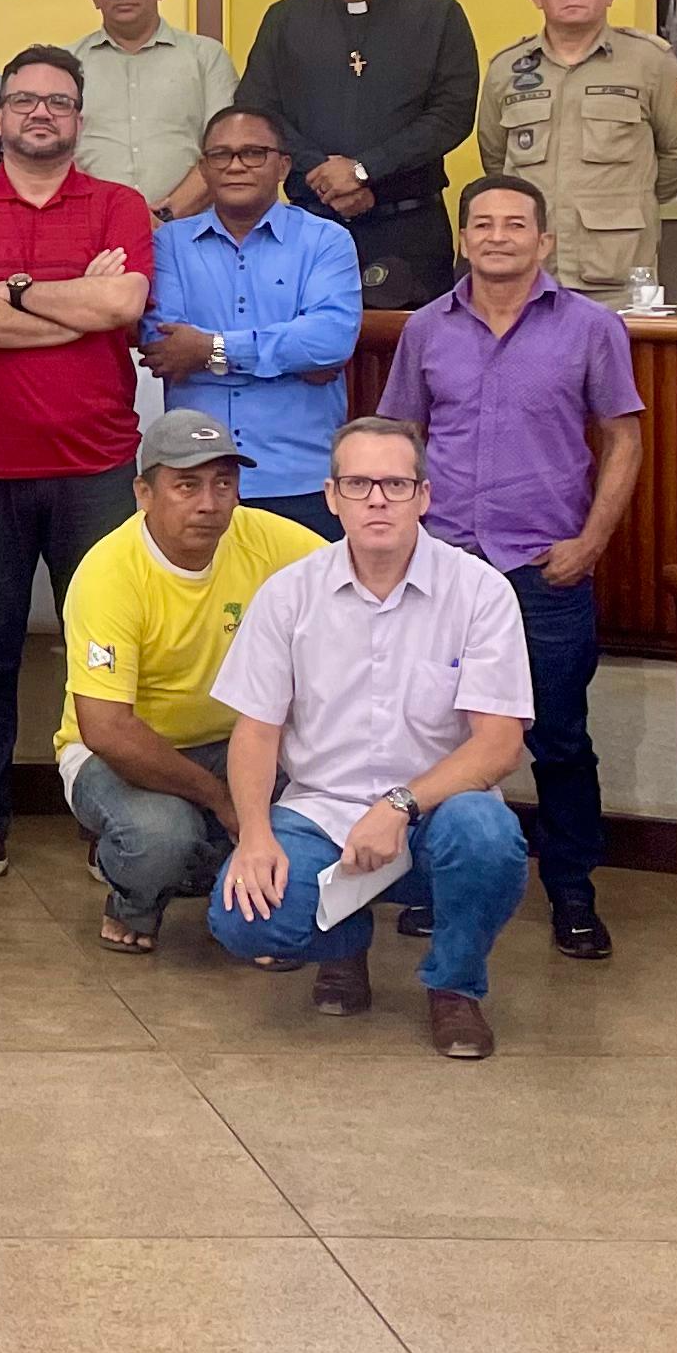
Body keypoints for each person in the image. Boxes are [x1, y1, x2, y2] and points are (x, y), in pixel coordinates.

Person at [205, 419, 536, 1061]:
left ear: (424, 496)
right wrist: (254, 834)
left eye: (394, 483)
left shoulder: (480, 592)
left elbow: (498, 747)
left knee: (491, 841)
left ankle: (454, 987)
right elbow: (256, 730)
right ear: (332, 496)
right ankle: (345, 940)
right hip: (320, 813)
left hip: (439, 814)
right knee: (241, 916)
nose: (377, 499)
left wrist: (399, 805)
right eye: (359, 484)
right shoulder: (289, 594)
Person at [376, 175, 645, 960]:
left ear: (545, 241)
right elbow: (399, 439)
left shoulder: (591, 328)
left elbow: (622, 439)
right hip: (446, 568)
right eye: (482, 224)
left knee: (560, 739)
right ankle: (434, 884)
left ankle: (572, 894)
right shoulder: (427, 328)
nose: (498, 236)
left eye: (516, 225)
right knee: (435, 735)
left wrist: (591, 544)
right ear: (463, 239)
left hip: (545, 569)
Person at [0, 45, 155, 895]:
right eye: (24, 100)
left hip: (98, 465)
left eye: (57, 101)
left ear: (78, 119)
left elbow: (123, 306)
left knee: (106, 657)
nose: (40, 113)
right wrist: (68, 305)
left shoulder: (119, 205)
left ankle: (122, 825)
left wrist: (10, 294)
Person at [56, 413, 327, 954]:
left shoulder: (270, 540)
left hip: (238, 743)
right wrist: (225, 802)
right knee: (162, 838)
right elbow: (107, 729)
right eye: (186, 485)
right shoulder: (108, 572)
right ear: (144, 493)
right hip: (116, 753)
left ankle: (259, 903)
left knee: (311, 816)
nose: (209, 503)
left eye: (223, 484)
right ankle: (135, 896)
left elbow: (358, 577)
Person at [235, 0, 480, 309]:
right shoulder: (286, 20)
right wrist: (325, 175)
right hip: (309, 222)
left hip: (409, 227)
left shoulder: (437, 14)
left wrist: (366, 171)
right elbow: (259, 112)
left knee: (410, 360)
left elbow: (452, 115)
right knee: (304, 352)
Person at [140, 105, 361, 539]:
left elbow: (329, 342)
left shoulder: (326, 241)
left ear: (283, 165)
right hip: (196, 479)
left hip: (300, 479)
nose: (236, 165)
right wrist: (289, 359)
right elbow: (163, 346)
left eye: (253, 153)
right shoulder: (169, 245)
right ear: (204, 169)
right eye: (221, 155)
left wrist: (210, 350)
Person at [472, 0, 677, 303]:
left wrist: (627, 203)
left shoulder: (651, 63)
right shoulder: (506, 69)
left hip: (618, 277)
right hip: (527, 277)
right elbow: (496, 161)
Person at [69, 0, 240, 213]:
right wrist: (108, 218)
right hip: (90, 227)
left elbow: (224, 151)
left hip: (188, 231)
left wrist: (165, 217)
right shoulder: (67, 65)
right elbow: (57, 157)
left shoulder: (206, 57)